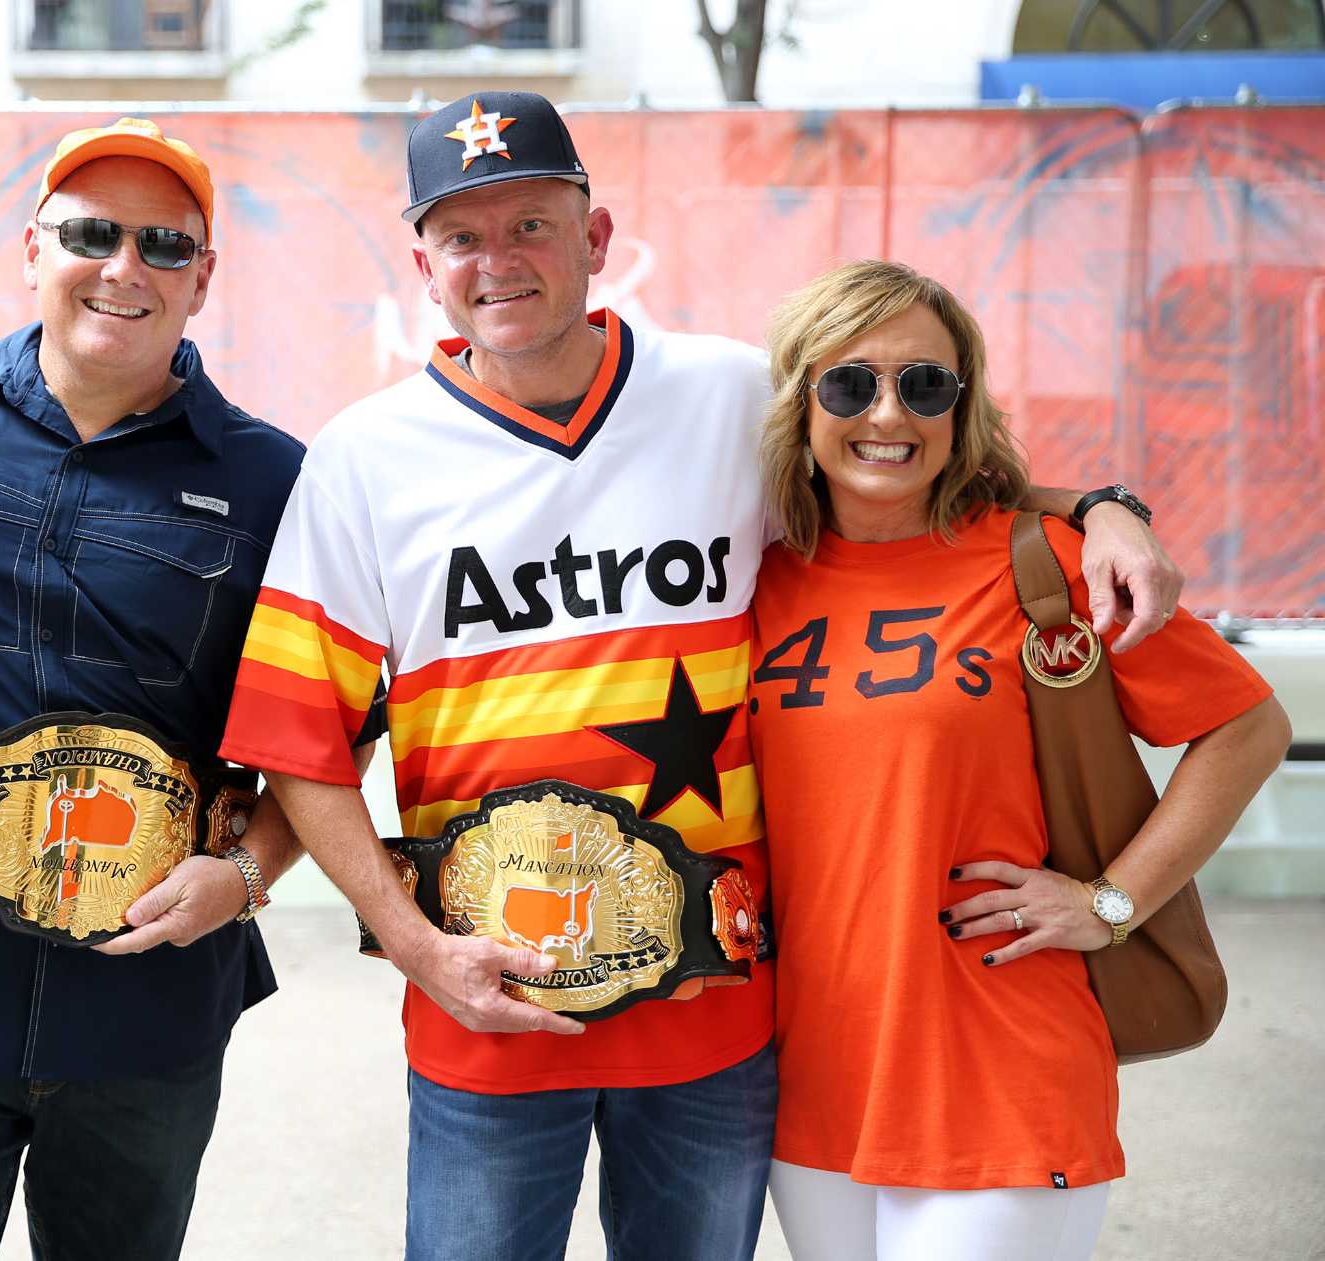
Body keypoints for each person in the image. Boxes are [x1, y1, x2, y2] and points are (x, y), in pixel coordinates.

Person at [218, 91, 1185, 1261]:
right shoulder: (363, 458)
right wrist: (415, 947)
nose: (498, 260)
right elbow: (296, 740)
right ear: (423, 265)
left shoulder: (728, 395)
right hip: (487, 1002)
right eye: (462, 236)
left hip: (715, 1013)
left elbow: (904, 459)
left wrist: (1094, 507)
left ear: (597, 238)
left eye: (530, 223)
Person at [0, 118, 351, 1261]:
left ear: (203, 278)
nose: (124, 268)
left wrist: (249, 874)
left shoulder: (270, 478)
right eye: (91, 233)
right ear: (30, 249)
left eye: (164, 244)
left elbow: (333, 727)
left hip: (145, 1012)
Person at [748, 259, 1289, 1261]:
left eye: (923, 385)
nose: (886, 413)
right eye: (847, 382)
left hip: (999, 1058)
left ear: (960, 405)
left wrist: (1109, 901)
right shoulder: (753, 573)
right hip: (808, 1075)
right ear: (799, 399)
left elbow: (1246, 726)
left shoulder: (1043, 561)